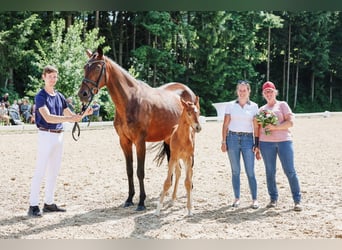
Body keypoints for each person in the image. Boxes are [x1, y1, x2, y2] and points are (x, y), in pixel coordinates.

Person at [28, 65, 93, 217]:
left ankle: (49, 202)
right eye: (50, 76)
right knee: (40, 170)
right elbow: (48, 117)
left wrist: (83, 115)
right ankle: (33, 204)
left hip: (59, 135)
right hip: (46, 134)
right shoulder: (40, 96)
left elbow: (71, 116)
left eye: (55, 76)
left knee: (54, 171)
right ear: (44, 77)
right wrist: (70, 118)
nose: (53, 79)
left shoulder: (60, 96)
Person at [258, 81, 302, 212]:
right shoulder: (261, 110)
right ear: (263, 94)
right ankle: (273, 199)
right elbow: (259, 128)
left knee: (290, 170)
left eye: (271, 91)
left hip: (284, 141)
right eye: (266, 92)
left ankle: (297, 200)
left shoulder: (282, 105)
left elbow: (290, 123)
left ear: (275, 92)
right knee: (270, 172)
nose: (269, 93)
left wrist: (275, 127)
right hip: (266, 144)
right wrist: (257, 145)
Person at [221, 80, 259, 209]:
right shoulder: (230, 105)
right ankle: (237, 198)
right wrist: (223, 141)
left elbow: (256, 126)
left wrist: (256, 143)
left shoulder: (254, 106)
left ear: (249, 91)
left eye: (245, 90)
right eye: (240, 90)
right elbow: (225, 125)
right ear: (237, 91)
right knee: (235, 171)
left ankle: (254, 199)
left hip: (248, 140)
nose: (242, 92)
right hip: (232, 138)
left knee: (250, 171)